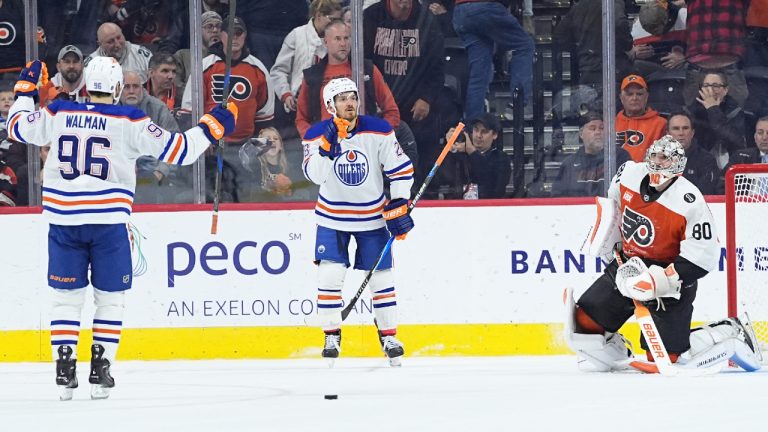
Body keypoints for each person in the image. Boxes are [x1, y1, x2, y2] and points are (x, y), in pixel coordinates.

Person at [6, 57, 237, 400]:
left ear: (85, 84)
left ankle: (64, 365)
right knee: (110, 300)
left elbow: (16, 127)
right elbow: (180, 151)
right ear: (116, 89)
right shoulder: (130, 119)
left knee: (65, 301)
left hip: (64, 222)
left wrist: (25, 91)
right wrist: (213, 125)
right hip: (109, 224)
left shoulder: (59, 113)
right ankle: (101, 371)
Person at [566, 135, 761, 373]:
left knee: (664, 357)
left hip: (669, 280)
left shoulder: (689, 200)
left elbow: (704, 255)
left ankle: (729, 331)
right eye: (655, 156)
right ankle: (618, 350)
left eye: (665, 158)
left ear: (678, 163)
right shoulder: (628, 173)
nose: (658, 162)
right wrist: (610, 242)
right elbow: (614, 209)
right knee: (584, 325)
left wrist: (663, 279)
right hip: (628, 266)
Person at [302, 77, 414, 367]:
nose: (349, 102)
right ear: (330, 105)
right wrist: (328, 147)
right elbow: (315, 175)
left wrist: (400, 203)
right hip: (331, 217)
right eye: (342, 99)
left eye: (352, 96)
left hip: (372, 218)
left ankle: (389, 336)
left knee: (381, 278)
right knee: (329, 275)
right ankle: (331, 335)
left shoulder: (378, 130)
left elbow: (400, 169)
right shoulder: (315, 135)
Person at [363, 0, 445, 187]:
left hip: (414, 106)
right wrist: (370, 97)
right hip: (377, 104)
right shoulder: (371, 16)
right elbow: (362, 63)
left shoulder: (427, 21)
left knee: (418, 156)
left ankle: (416, 195)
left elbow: (437, 67)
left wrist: (427, 98)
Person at [295, 19, 400, 138]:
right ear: (326, 42)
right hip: (328, 146)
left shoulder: (367, 69)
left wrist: (377, 137)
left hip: (364, 143)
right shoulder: (312, 76)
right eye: (337, 39)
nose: (343, 43)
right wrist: (315, 141)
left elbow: (392, 112)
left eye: (346, 38)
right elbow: (301, 119)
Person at [452, 0, 534, 121]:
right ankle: (519, 104)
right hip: (485, 7)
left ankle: (474, 126)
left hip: (460, 10)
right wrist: (527, 13)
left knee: (478, 75)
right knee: (524, 45)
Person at [270, 0, 343, 115]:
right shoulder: (297, 35)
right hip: (297, 103)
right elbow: (278, 71)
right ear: (319, 15)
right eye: (332, 20)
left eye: (338, 20)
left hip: (327, 104)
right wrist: (286, 94)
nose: (335, 24)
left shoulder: (339, 40)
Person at [551, 112, 630, 198]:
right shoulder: (569, 164)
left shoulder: (620, 157)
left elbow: (630, 191)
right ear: (581, 134)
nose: (598, 132)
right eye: (592, 128)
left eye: (602, 128)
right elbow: (557, 197)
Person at [683, 71, 746, 170]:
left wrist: (713, 109)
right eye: (706, 85)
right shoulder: (691, 113)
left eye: (716, 86)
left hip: (729, 166)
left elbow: (736, 141)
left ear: (725, 90)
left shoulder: (736, 112)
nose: (710, 90)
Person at [442, 113, 510, 199]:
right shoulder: (461, 154)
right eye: (476, 130)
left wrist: (472, 152)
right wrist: (449, 147)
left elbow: (496, 189)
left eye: (484, 132)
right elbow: (444, 176)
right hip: (459, 207)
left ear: (494, 135)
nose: (478, 135)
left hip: (488, 208)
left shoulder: (502, 158)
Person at [615, 74, 667, 162]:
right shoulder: (610, 124)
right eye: (629, 94)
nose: (634, 98)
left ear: (646, 97)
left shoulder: (661, 124)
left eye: (639, 94)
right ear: (621, 98)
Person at [665, 111, 719, 195]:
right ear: (668, 134)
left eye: (685, 128)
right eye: (676, 128)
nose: (681, 133)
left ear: (692, 133)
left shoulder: (706, 160)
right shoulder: (656, 158)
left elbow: (705, 194)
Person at [85, 22, 153, 83]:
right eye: (110, 41)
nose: (117, 44)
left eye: (119, 37)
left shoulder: (142, 56)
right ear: (100, 44)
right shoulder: (90, 65)